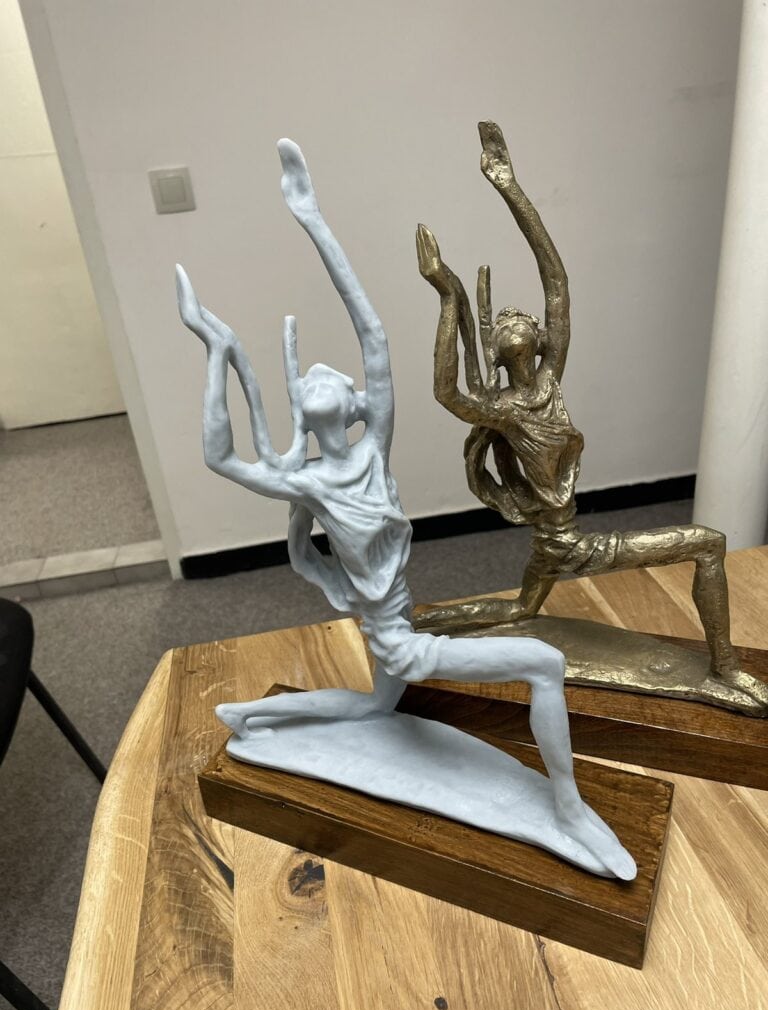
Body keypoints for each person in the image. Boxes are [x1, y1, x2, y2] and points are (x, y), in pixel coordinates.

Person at [176, 138, 634, 878]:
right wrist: (214, 350)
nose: (325, 373)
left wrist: (312, 219)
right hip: (400, 643)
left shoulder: (372, 451)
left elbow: (374, 334)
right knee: (544, 665)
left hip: (402, 627)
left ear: (353, 404)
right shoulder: (312, 483)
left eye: (334, 377)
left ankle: (253, 716)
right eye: (312, 378)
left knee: (373, 709)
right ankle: (568, 806)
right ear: (310, 409)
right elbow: (221, 457)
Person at [414, 121, 768, 713]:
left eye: (525, 318)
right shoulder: (503, 411)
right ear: (498, 352)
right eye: (505, 322)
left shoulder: (549, 381)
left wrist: (508, 185)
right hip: (571, 542)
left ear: (541, 341)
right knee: (708, 544)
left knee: (522, 608)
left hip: (559, 541)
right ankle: (725, 670)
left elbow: (555, 280)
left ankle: (422, 623)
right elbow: (446, 390)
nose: (517, 318)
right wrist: (448, 297)